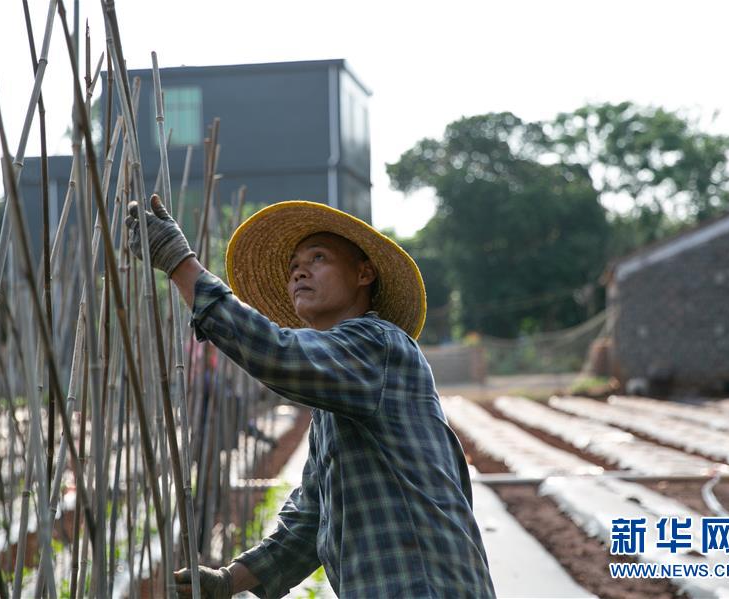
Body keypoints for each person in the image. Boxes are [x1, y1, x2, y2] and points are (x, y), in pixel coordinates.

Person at [125, 196, 496, 598]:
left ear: (364, 273)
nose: (299, 270)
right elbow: (310, 519)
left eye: (318, 257)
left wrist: (182, 266)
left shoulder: (379, 346)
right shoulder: (337, 399)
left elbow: (281, 355)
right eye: (293, 266)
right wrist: (231, 580)